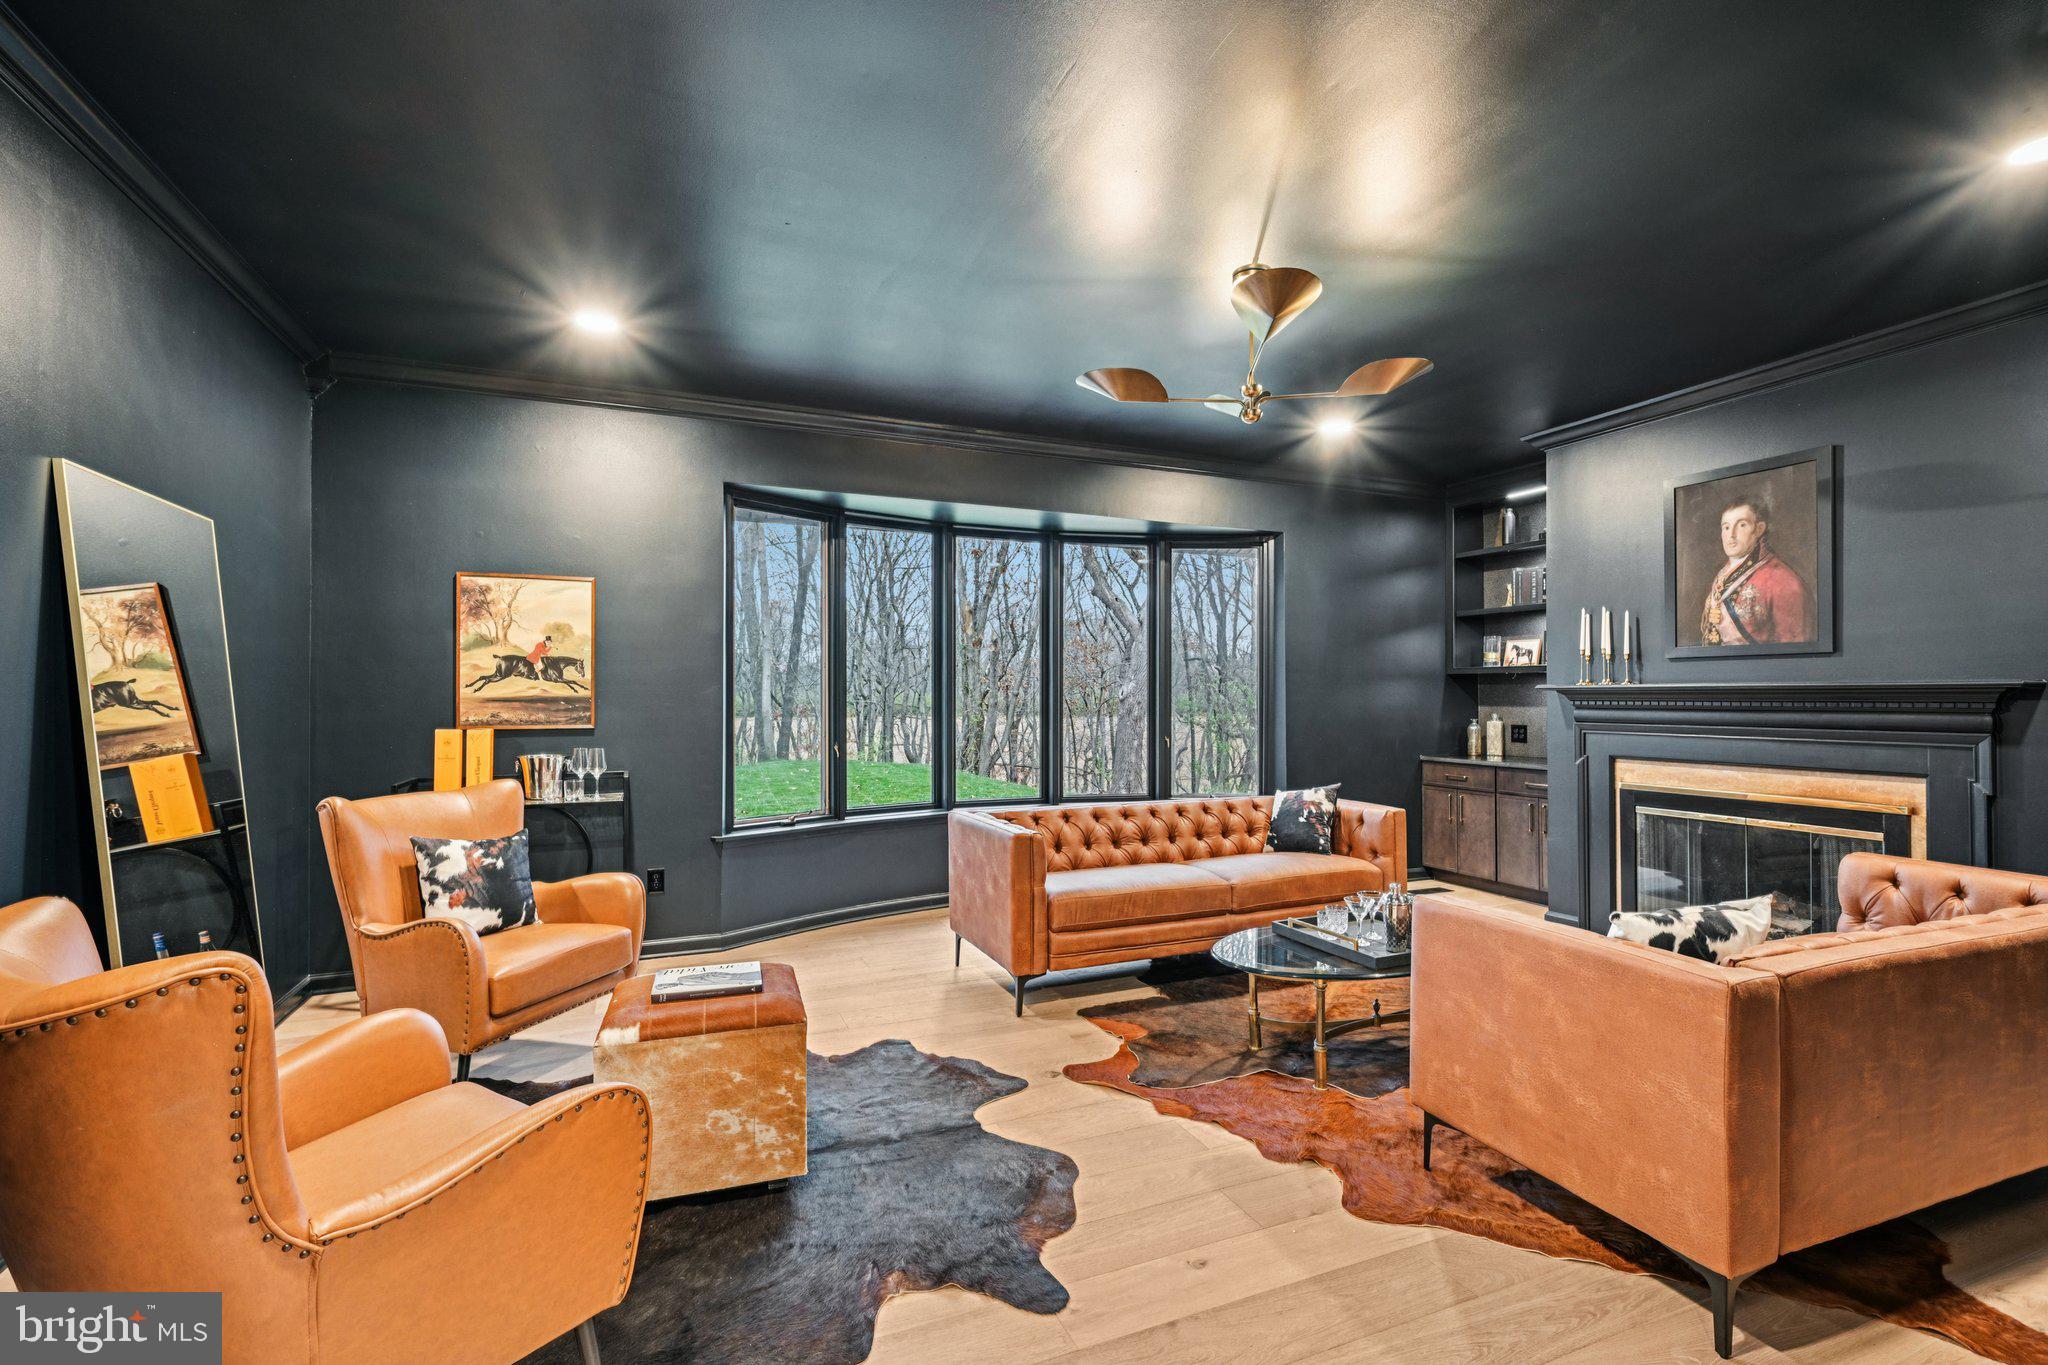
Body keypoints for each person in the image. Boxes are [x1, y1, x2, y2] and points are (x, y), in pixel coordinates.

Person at [1699, 496, 1812, 645]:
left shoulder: (1784, 581)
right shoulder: (1723, 574)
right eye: (1726, 527)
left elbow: (1794, 645)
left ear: (1759, 529)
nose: (1731, 534)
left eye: (1741, 525)